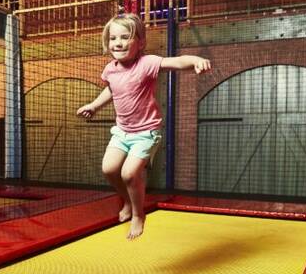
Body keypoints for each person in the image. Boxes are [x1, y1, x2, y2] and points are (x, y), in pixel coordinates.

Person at [77, 13, 211, 239]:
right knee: (109, 169)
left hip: (146, 132)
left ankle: (139, 214)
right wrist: (94, 105)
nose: (117, 43)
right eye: (113, 38)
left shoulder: (146, 63)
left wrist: (195, 61)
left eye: (125, 37)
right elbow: (111, 89)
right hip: (122, 131)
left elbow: (176, 62)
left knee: (129, 174)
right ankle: (128, 202)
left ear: (140, 42)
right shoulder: (110, 69)